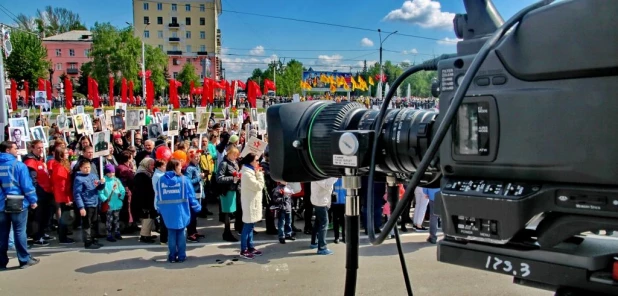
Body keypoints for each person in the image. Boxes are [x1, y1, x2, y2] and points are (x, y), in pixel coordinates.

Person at [0, 141, 39, 270]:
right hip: (17, 202)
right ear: (7, 150)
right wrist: (33, 200)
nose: (17, 150)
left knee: (2, 234)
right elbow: (27, 186)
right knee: (19, 231)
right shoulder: (19, 165)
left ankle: (1, 262)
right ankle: (24, 259)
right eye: (15, 148)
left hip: (1, 204)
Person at [155, 159, 201, 263]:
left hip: (167, 211)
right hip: (181, 210)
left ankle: (171, 256)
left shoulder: (161, 180)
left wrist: (159, 208)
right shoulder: (184, 180)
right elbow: (191, 196)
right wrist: (197, 207)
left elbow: (158, 196)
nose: (181, 168)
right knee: (181, 233)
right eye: (179, 166)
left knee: (171, 233)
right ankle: (181, 256)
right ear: (175, 167)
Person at [23, 140, 54, 246]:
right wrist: (35, 194)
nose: (41, 150)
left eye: (42, 147)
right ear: (32, 148)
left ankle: (41, 233)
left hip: (46, 191)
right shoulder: (30, 161)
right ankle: (37, 237)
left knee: (46, 215)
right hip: (39, 193)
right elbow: (32, 179)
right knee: (38, 216)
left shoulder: (39, 159)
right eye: (38, 148)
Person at [73, 158, 106, 249]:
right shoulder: (79, 179)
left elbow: (98, 187)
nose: (87, 169)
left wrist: (102, 184)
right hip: (86, 204)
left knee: (94, 222)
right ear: (80, 168)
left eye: (88, 167)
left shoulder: (93, 176)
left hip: (94, 202)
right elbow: (77, 194)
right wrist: (81, 207)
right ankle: (87, 242)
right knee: (87, 224)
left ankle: (93, 239)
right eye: (85, 167)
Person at [238, 153, 265, 260]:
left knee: (251, 226)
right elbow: (259, 186)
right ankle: (243, 249)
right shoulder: (247, 173)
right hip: (249, 203)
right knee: (247, 227)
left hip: (253, 201)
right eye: (256, 160)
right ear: (250, 162)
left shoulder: (251, 171)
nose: (258, 162)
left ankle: (250, 246)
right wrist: (259, 174)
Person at [310, 177, 338, 255]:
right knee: (324, 223)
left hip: (319, 201)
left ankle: (314, 242)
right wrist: (335, 177)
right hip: (320, 202)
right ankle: (322, 247)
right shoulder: (319, 176)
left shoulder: (317, 174)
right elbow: (326, 185)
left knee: (318, 222)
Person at [98, 164, 125, 242]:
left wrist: (121, 196)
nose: (112, 174)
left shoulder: (116, 180)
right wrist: (105, 199)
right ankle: (108, 234)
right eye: (110, 172)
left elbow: (122, 189)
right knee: (109, 220)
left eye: (113, 172)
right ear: (106, 173)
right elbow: (100, 192)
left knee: (116, 219)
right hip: (109, 204)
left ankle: (117, 232)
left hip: (117, 203)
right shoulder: (104, 181)